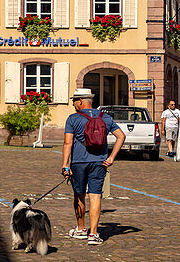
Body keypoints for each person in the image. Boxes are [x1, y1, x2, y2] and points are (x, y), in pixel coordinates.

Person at [61, 88, 125, 246]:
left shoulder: (73, 118)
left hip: (79, 163)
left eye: (74, 101)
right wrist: (111, 158)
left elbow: (68, 143)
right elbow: (121, 136)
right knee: (95, 196)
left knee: (79, 195)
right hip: (100, 162)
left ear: (81, 101)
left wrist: (65, 165)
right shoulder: (105, 117)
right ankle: (94, 234)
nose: (73, 104)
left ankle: (81, 229)